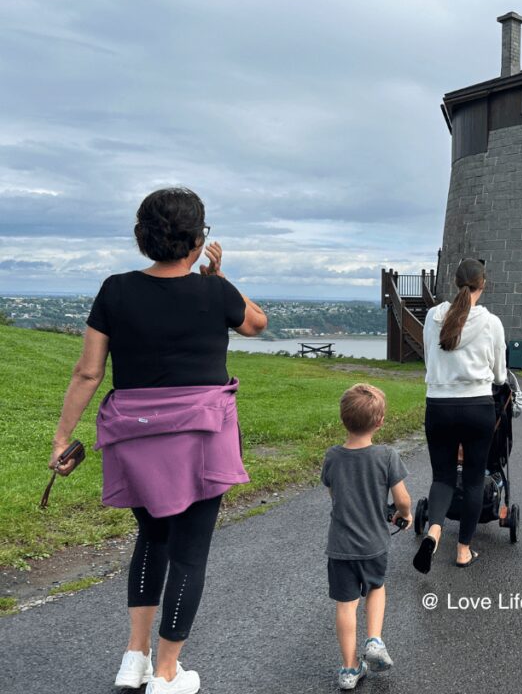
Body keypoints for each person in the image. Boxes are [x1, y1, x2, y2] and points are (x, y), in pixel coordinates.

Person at [47, 187, 267, 694]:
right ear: (197, 240)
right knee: (190, 552)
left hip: (135, 441)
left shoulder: (115, 290)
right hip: (202, 441)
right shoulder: (215, 293)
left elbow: (87, 373)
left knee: (152, 539)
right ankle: (167, 674)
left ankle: (135, 658)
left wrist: (63, 437)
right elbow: (257, 324)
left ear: (142, 237)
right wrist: (219, 277)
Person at [414, 258, 506, 572]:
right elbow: (500, 374)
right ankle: (463, 549)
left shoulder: (432, 316)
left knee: (442, 477)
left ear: (455, 282)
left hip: (438, 405)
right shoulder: (491, 322)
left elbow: (429, 359)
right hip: (477, 406)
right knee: (473, 480)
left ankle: (435, 531)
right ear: (483, 285)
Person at [321, 383, 411, 690]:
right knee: (376, 588)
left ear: (342, 418)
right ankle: (374, 639)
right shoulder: (387, 456)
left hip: (340, 547)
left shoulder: (332, 456)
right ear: (380, 421)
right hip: (374, 544)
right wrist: (405, 513)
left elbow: (334, 494)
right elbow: (402, 499)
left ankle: (348, 669)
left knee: (346, 605)